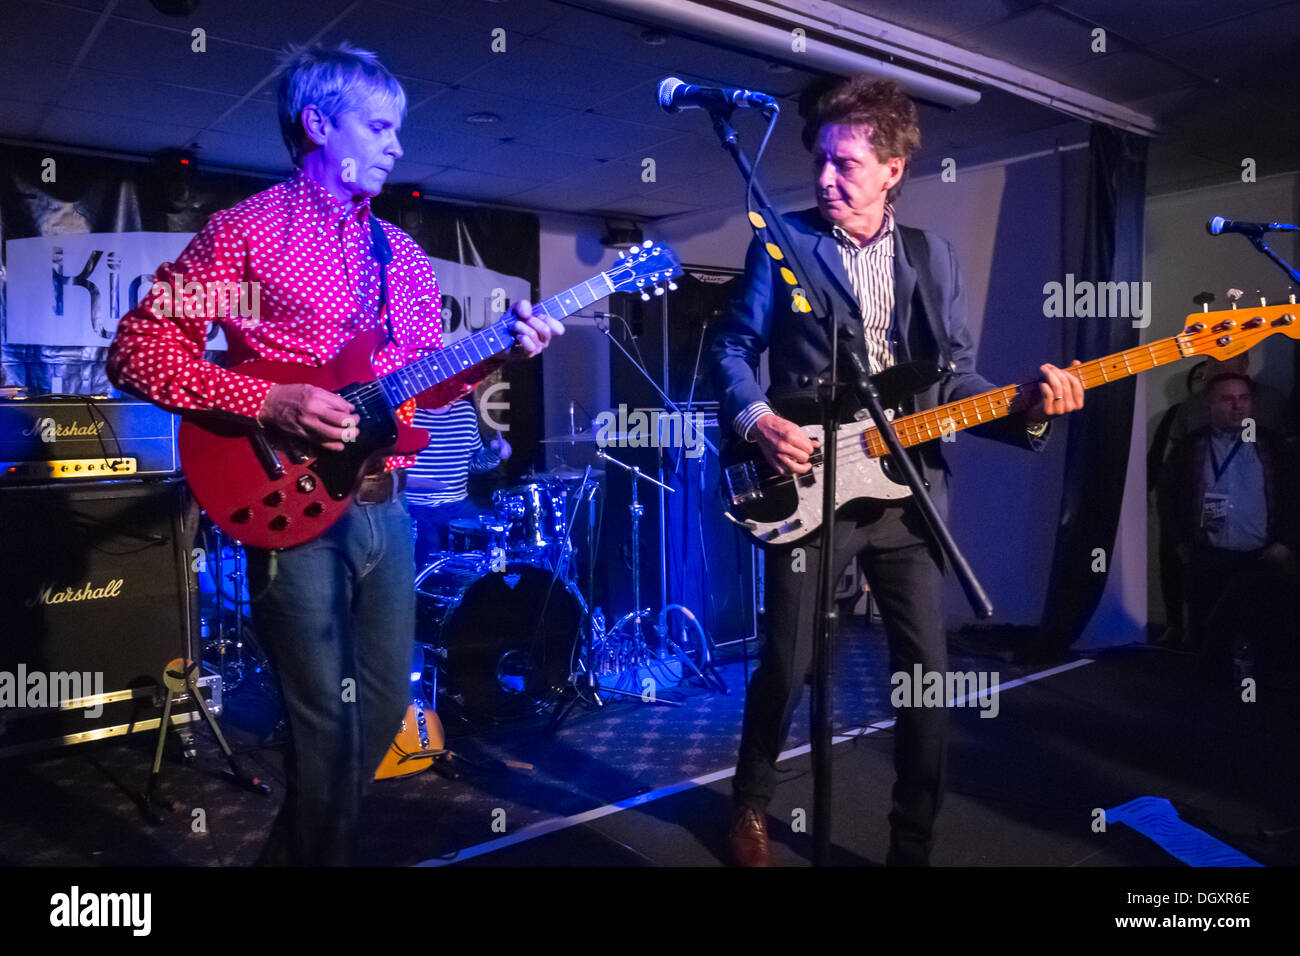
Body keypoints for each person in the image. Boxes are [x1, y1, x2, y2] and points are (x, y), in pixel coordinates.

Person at [106, 42, 563, 865]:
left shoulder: (404, 255)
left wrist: (501, 353)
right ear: (319, 124)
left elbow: (420, 393)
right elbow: (139, 350)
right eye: (380, 127)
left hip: (386, 506)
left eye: (399, 130)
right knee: (323, 727)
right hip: (289, 509)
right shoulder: (244, 231)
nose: (397, 145)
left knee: (382, 712)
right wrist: (268, 399)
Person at [710, 76, 1083, 866]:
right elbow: (732, 347)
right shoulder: (778, 239)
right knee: (787, 663)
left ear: (893, 170)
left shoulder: (931, 258)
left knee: (927, 681)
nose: (825, 178)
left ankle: (910, 845)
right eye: (820, 160)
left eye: (846, 164)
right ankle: (749, 805)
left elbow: (955, 381)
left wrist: (1032, 407)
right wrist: (758, 419)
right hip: (811, 482)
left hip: (907, 495)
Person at [1157, 372, 1298, 674]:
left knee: (1267, 645)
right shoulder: (1191, 446)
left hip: (1261, 559)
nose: (1238, 406)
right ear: (1209, 403)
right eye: (1228, 399)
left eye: (1244, 398)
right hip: (1208, 558)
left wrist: (1286, 543)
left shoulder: (1273, 446)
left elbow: (1294, 497)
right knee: (1208, 647)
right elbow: (1168, 498)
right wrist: (1179, 542)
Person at [407, 394, 511, 560]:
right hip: (415, 505)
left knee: (495, 534)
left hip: (457, 504)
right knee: (430, 551)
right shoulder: (407, 412)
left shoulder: (465, 411)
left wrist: (494, 453)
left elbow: (473, 464)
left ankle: (495, 583)